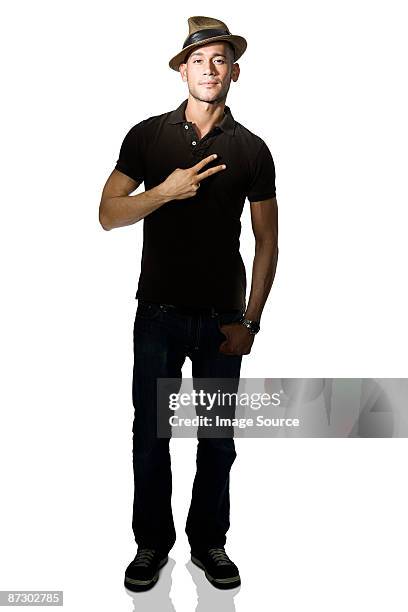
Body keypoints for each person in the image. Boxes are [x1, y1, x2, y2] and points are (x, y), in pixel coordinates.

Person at [99, 15, 279, 591]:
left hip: (224, 318)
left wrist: (250, 319)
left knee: (217, 438)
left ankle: (210, 545)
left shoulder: (252, 149)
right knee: (149, 433)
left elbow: (268, 240)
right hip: (157, 314)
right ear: (182, 70)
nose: (210, 69)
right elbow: (108, 213)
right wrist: (165, 191)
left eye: (220, 60)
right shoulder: (147, 136)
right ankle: (152, 545)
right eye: (199, 60)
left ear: (235, 72)